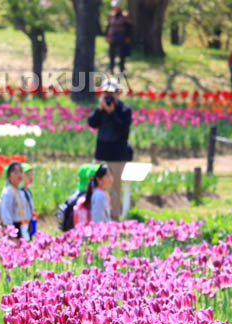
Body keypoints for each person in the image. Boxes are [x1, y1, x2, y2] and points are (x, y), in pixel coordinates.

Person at [88, 81, 132, 219]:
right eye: (105, 93)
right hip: (101, 153)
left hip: (117, 155)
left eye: (111, 93)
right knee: (95, 186)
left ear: (118, 93)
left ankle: (114, 219)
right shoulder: (101, 109)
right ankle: (95, 217)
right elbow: (92, 123)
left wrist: (112, 113)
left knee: (114, 189)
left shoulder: (124, 109)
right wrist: (100, 110)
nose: (108, 96)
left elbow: (123, 130)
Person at [0, 161, 31, 240]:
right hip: (14, 226)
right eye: (15, 172)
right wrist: (10, 231)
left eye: (20, 172)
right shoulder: (7, 192)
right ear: (9, 177)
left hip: (23, 225)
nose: (19, 175)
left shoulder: (21, 191)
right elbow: (5, 212)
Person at [106, 0, 133, 75]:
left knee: (122, 54)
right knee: (112, 53)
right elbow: (108, 26)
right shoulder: (111, 15)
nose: (114, 8)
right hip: (112, 37)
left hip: (121, 37)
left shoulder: (124, 16)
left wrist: (128, 37)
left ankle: (122, 69)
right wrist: (107, 36)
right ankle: (111, 68)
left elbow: (128, 28)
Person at [20, 163, 36, 234]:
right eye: (27, 175)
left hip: (29, 222)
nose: (31, 177)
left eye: (32, 174)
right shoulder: (20, 192)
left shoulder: (28, 191)